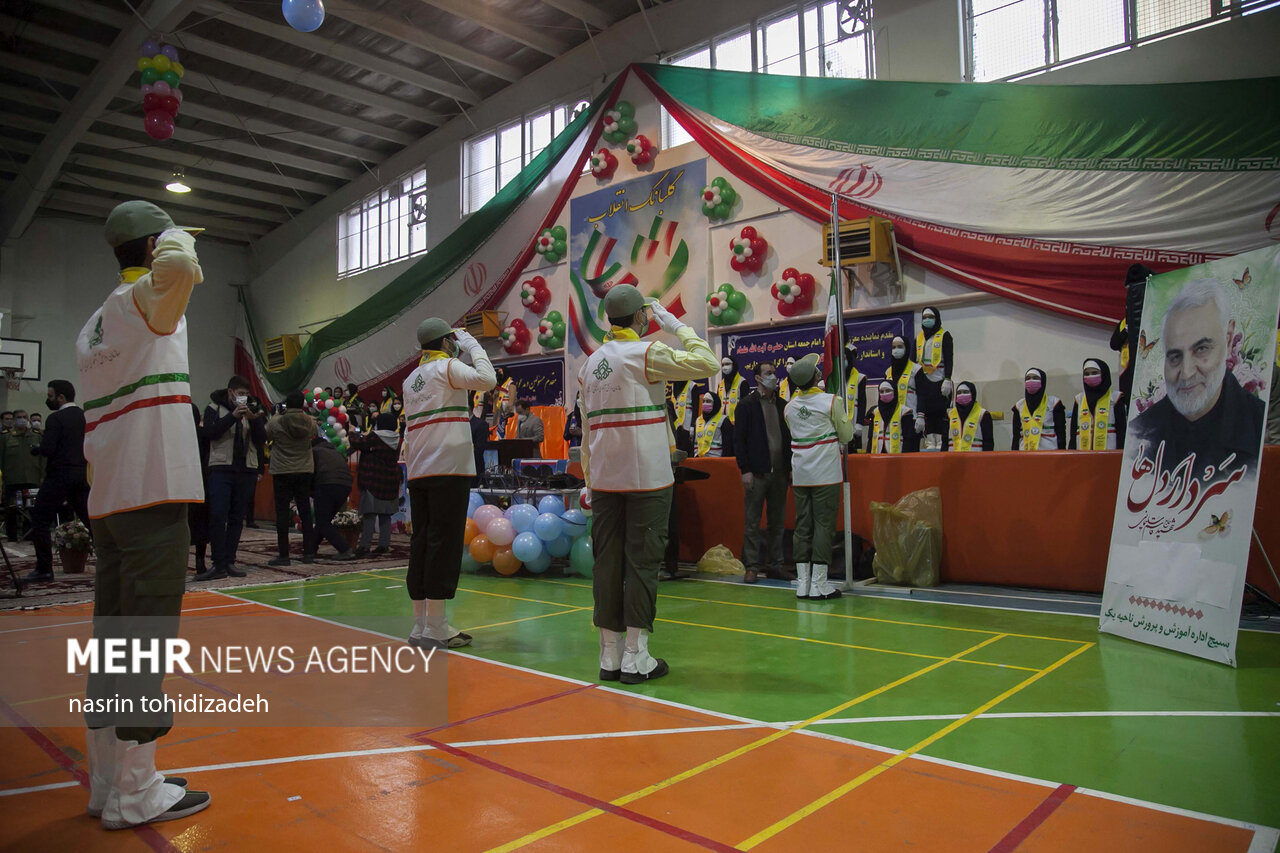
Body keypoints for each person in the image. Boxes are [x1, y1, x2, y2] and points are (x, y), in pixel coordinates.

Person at [77, 199, 210, 828]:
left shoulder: (97, 322)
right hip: (151, 490)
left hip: (108, 500)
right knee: (144, 643)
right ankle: (137, 792)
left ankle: (107, 781)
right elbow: (181, 268)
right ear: (154, 248)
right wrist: (176, 239)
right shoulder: (148, 303)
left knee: (112, 641)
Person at [579, 285, 718, 683]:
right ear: (641, 317)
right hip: (648, 478)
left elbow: (586, 435)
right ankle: (635, 657)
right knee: (642, 563)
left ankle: (609, 655)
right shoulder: (646, 353)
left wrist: (590, 480)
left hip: (605, 479)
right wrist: (672, 322)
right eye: (647, 314)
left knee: (607, 564)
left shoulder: (589, 365)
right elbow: (706, 362)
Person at [403, 318, 495, 648]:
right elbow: (487, 379)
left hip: (418, 470)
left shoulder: (411, 378)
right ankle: (438, 626)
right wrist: (471, 343)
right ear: (445, 343)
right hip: (448, 467)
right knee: (444, 543)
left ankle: (420, 626)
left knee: (422, 543)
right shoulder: (447, 367)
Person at [1130, 278, 1266, 476]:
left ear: (1228, 340)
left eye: (1201, 349)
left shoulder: (1257, 426)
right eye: (1175, 357)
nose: (1186, 373)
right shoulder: (1139, 436)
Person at [783, 353, 853, 600]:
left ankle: (802, 583)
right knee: (823, 525)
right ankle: (819, 585)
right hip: (826, 473)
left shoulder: (789, 407)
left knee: (802, 525)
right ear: (815, 377)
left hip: (801, 473)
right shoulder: (832, 401)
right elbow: (846, 436)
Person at [197, 376, 266, 581]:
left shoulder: (252, 410)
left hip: (246, 470)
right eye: (240, 393)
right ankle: (217, 564)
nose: (243, 397)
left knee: (237, 517)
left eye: (246, 394)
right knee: (218, 515)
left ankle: (229, 561)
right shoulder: (213, 408)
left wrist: (255, 420)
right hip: (221, 468)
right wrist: (233, 416)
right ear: (230, 392)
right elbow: (210, 433)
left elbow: (261, 440)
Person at [734, 361, 793, 584]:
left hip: (779, 472)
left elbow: (788, 440)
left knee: (777, 523)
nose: (773, 377)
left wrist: (788, 469)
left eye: (774, 373)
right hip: (756, 473)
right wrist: (745, 470)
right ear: (757, 378)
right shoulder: (746, 406)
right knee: (752, 522)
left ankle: (775, 565)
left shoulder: (782, 405)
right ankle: (751, 566)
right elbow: (739, 441)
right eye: (768, 373)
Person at [26, 380, 91, 582]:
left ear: (61, 397)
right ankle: (112, 562)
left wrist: (35, 448)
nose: (49, 399)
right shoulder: (85, 416)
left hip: (59, 475)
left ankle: (44, 569)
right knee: (90, 520)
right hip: (81, 473)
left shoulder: (55, 418)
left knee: (40, 519)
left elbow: (48, 448)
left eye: (51, 396)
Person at [264, 391, 317, 567]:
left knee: (282, 514)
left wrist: (277, 414)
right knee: (305, 513)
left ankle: (284, 555)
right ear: (302, 403)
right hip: (304, 470)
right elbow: (315, 435)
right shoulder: (310, 421)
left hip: (282, 470)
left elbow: (267, 437)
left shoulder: (276, 421)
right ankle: (309, 553)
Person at [350, 412, 402, 555]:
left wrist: (351, 432)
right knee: (385, 516)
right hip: (390, 482)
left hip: (373, 481)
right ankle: (384, 545)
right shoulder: (397, 439)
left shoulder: (375, 437)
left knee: (369, 515)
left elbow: (358, 443)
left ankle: (364, 546)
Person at [910, 307, 954, 447]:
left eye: (930, 317)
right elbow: (912, 361)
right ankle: (930, 442)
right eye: (924, 317)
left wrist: (947, 378)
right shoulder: (919, 338)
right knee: (926, 411)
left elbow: (949, 359)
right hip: (923, 381)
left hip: (940, 380)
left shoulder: (944, 335)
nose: (927, 320)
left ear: (937, 318)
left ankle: (941, 441)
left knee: (940, 411)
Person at [1, 409, 44, 541]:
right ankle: (12, 535)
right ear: (14, 420)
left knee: (32, 509)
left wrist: (43, 476)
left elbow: (43, 458)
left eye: (25, 417)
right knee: (11, 509)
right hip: (12, 478)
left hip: (32, 478)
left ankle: (29, 534)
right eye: (19, 417)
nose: (22, 419)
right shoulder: (5, 437)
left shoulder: (36, 436)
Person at [311, 436, 356, 560]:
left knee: (322, 521)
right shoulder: (335, 452)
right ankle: (311, 548)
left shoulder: (314, 452)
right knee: (324, 520)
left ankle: (345, 549)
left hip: (326, 484)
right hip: (345, 486)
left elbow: (311, 472)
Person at [1070, 359, 1126, 450]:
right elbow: (1073, 431)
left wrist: (1121, 452)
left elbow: (1122, 430)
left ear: (1104, 373)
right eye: (1087, 374)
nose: (1090, 376)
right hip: (1082, 452)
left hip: (1109, 451)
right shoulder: (1079, 399)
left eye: (1094, 372)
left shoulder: (1115, 397)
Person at [1012, 368, 1067, 451]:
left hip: (1049, 453)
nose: (1031, 381)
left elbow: (1061, 433)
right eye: (1028, 378)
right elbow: (1016, 436)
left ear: (1043, 381)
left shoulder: (1054, 403)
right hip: (1025, 454)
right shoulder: (1019, 405)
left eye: (1035, 378)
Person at [866, 380, 920, 455]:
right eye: (881, 391)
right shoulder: (875, 412)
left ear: (895, 392)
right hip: (878, 455)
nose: (884, 394)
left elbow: (909, 438)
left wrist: (906, 457)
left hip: (899, 455)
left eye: (888, 390)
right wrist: (868, 456)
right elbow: (870, 438)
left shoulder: (905, 411)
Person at [188, 404, 211, 574]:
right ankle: (200, 562)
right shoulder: (203, 434)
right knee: (201, 525)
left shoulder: (177, 437)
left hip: (182, 484)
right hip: (203, 483)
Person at [943, 381, 993, 452]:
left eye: (965, 392)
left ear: (973, 394)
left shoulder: (983, 414)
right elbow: (944, 442)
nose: (962, 394)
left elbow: (988, 442)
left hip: (976, 459)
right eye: (959, 393)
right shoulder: (949, 415)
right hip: (953, 459)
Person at [841, 343, 869, 452]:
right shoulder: (836, 378)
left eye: (845, 358)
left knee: (854, 454)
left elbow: (862, 402)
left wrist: (859, 423)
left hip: (854, 422)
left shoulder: (860, 378)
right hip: (839, 423)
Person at [885, 335, 921, 414]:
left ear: (906, 348)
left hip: (912, 416)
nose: (896, 350)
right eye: (894, 347)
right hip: (893, 418)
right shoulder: (888, 372)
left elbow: (922, 395)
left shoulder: (916, 370)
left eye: (900, 346)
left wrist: (920, 416)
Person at [694, 391, 733, 457]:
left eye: (708, 401)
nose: (705, 404)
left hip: (716, 459)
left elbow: (728, 446)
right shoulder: (698, 420)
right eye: (703, 401)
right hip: (699, 459)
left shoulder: (723, 420)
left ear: (715, 403)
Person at [716, 355, 744, 422]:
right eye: (723, 365)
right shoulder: (720, 384)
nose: (724, 367)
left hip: (737, 422)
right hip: (721, 422)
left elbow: (745, 406)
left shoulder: (742, 382)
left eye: (727, 364)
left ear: (733, 365)